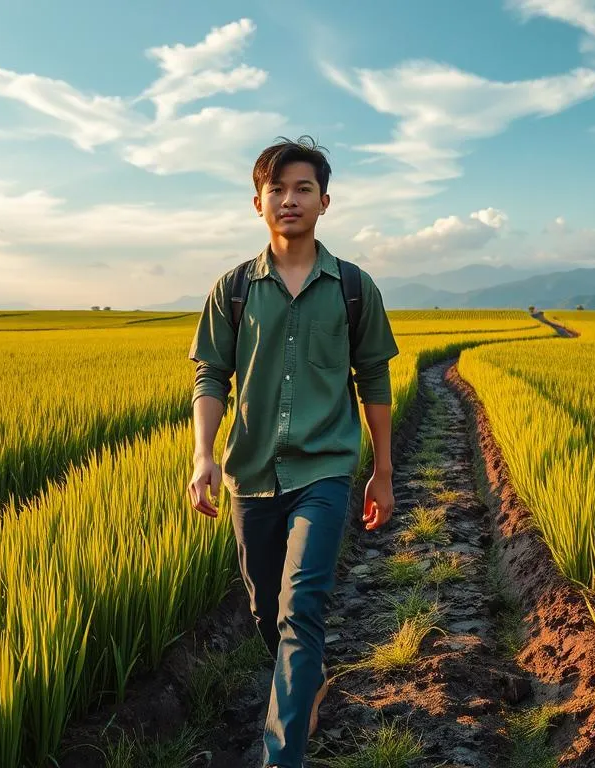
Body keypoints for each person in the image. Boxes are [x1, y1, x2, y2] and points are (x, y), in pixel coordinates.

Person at [186, 135, 400, 768]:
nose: (289, 199)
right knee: (265, 610)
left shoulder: (354, 288)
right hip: (250, 475)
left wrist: (382, 473)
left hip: (326, 468)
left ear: (324, 201)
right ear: (258, 202)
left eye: (302, 188)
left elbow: (376, 380)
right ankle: (305, 684)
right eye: (276, 189)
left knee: (302, 604)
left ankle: (283, 757)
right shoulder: (232, 290)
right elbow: (210, 377)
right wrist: (204, 455)